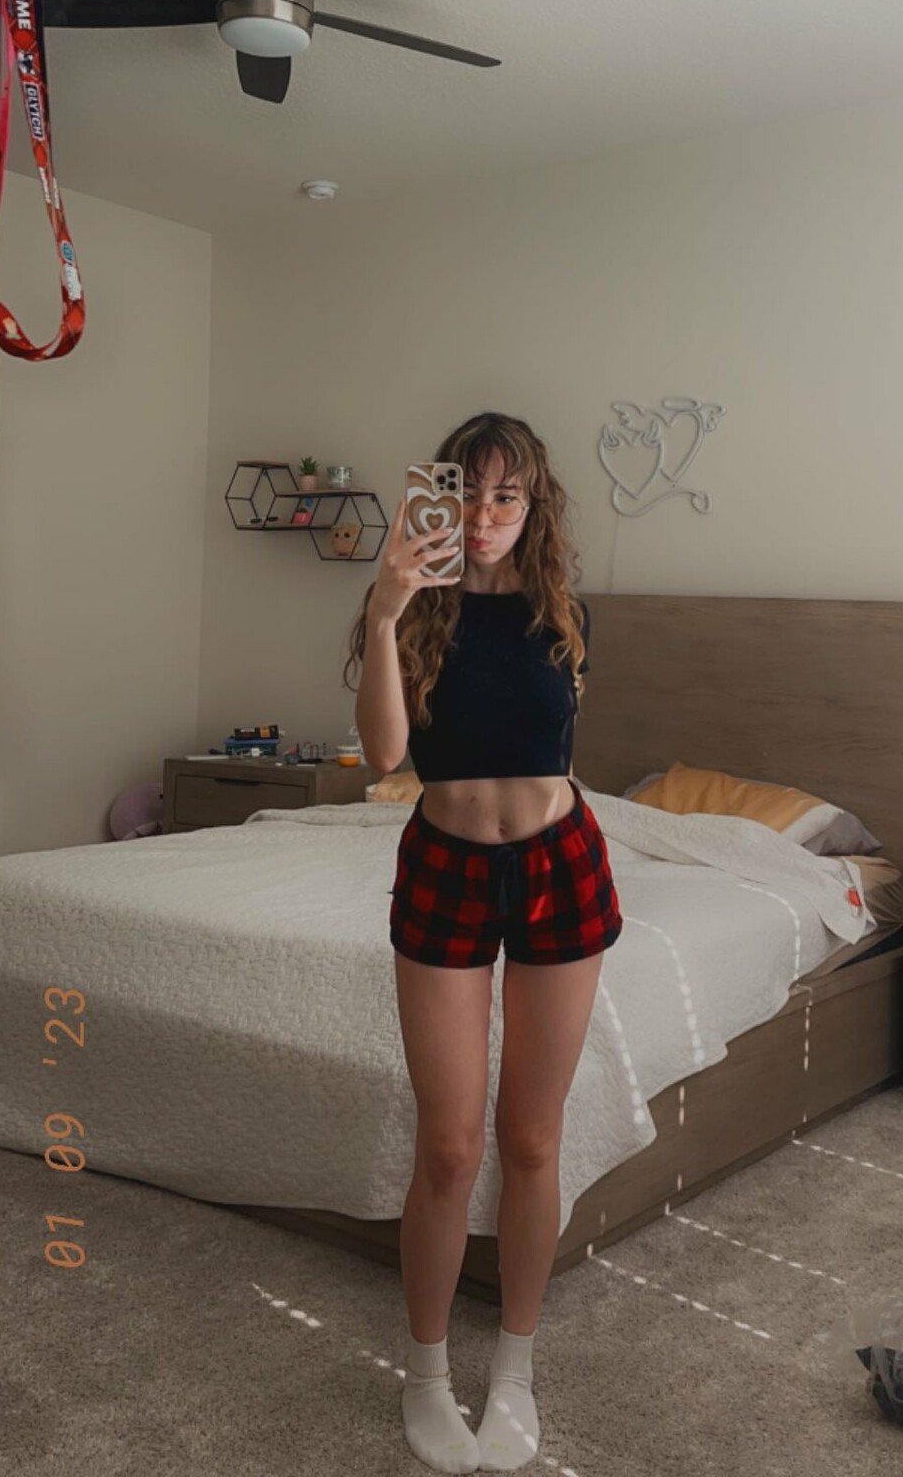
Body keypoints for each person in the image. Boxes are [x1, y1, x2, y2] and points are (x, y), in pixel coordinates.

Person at [344, 411, 623, 1474]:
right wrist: (384, 609)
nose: (485, 514)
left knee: (533, 1140)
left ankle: (514, 1369)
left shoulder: (565, 614)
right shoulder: (410, 609)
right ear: (439, 497)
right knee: (450, 1147)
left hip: (560, 865)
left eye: (507, 495)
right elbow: (384, 755)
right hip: (446, 868)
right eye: (467, 491)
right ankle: (425, 1377)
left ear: (533, 504)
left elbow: (553, 740)